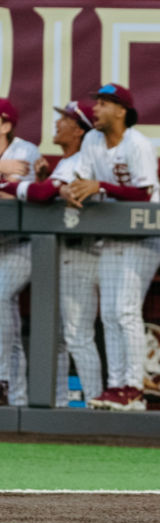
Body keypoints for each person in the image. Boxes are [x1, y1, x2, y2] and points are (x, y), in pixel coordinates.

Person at [71, 84, 160, 412]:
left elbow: (142, 193)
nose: (95, 109)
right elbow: (82, 181)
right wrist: (73, 190)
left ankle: (134, 387)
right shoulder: (91, 140)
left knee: (125, 311)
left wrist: (101, 185)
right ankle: (116, 386)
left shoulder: (138, 144)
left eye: (102, 103)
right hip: (113, 234)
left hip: (147, 236)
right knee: (109, 313)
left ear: (121, 110)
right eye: (95, 103)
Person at [21, 99, 100, 406]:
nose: (57, 123)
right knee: (58, 338)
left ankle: (95, 406)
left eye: (65, 119)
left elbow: (42, 195)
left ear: (79, 129)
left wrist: (29, 186)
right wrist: (44, 180)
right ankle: (59, 405)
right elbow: (47, 194)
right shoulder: (66, 163)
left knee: (78, 336)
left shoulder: (82, 159)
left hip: (83, 252)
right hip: (63, 254)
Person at [0, 98, 42, 406]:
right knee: (9, 325)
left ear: (5, 125)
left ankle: (0, 379)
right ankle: (18, 398)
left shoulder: (24, 151)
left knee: (0, 297)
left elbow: (13, 198)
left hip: (22, 243)